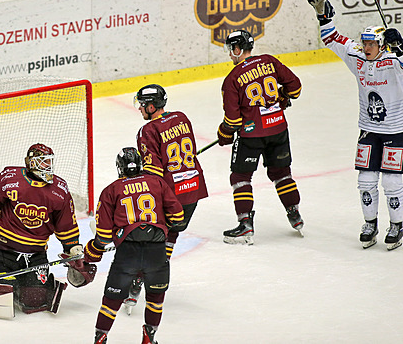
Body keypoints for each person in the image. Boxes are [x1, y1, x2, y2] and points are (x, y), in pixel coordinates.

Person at [308, 0, 403, 250]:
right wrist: (324, 17)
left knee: (393, 181)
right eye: (365, 42)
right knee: (366, 180)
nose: (367, 47)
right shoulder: (358, 58)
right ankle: (370, 224)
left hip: (396, 129)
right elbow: (332, 39)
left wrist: (401, 46)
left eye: (372, 44)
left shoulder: (394, 60)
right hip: (368, 130)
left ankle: (397, 225)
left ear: (382, 45)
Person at [0, 143, 96, 314]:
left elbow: (66, 228)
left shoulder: (60, 190)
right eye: (43, 162)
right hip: (1, 252)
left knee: (34, 302)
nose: (48, 166)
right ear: (32, 163)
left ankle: (41, 285)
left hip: (35, 257)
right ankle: (14, 283)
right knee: (3, 294)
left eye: (49, 162)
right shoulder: (9, 178)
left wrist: (73, 251)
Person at [83, 147, 184, 344]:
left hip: (127, 253)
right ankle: (149, 338)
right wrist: (162, 226)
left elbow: (102, 236)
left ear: (120, 167)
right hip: (157, 252)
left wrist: (92, 253)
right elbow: (179, 217)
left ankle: (100, 338)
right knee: (155, 297)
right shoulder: (157, 183)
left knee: (111, 300)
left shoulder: (111, 190)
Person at [217, 29, 304, 245]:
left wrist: (224, 134)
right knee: (282, 173)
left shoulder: (232, 79)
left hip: (251, 135)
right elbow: (296, 88)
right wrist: (282, 97)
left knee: (240, 177)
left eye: (231, 50)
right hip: (278, 129)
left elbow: (233, 121)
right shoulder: (269, 62)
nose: (230, 54)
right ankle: (294, 213)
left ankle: (245, 224)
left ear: (237, 49)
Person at [135, 84, 209, 257]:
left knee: (151, 235)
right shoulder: (181, 117)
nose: (139, 108)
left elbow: (154, 173)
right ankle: (163, 265)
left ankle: (144, 274)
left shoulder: (147, 131)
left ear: (151, 107)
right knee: (172, 231)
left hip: (172, 195)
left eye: (142, 104)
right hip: (193, 188)